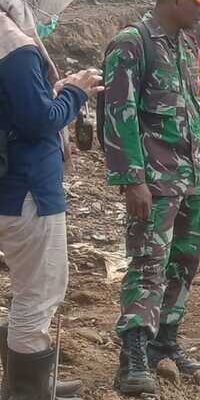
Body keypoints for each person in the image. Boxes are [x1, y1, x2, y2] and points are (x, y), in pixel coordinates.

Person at [102, 0, 200, 395]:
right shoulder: (132, 44)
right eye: (199, 3)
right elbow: (119, 115)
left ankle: (165, 344)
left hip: (192, 181)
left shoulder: (188, 44)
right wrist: (132, 180)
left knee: (184, 263)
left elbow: (199, 110)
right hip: (155, 184)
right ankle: (133, 359)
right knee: (148, 265)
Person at [0, 0, 103, 398]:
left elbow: (18, 108)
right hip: (27, 190)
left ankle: (27, 381)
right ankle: (27, 390)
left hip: (11, 186)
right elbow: (38, 120)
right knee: (39, 294)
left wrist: (54, 92)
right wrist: (74, 94)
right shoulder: (15, 47)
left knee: (29, 290)